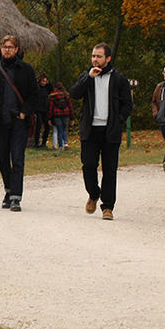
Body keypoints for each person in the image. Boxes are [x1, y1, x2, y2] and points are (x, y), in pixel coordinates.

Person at [69, 43, 133, 219]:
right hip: (90, 130)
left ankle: (108, 207)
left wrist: (118, 120)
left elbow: (128, 105)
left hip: (110, 130)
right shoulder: (86, 76)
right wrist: (88, 78)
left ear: (108, 59)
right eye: (93, 56)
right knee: (88, 165)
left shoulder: (119, 79)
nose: (95, 59)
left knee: (110, 169)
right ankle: (94, 194)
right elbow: (74, 94)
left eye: (98, 56)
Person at [0, 34, 46, 211]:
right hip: (0, 121)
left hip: (19, 121)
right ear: (1, 49)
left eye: (11, 47)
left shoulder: (26, 69)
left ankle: (16, 197)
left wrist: (25, 113)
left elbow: (34, 95)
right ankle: (8, 191)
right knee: (3, 158)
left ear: (16, 49)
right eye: (5, 47)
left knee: (17, 158)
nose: (7, 50)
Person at [48, 82, 74, 149]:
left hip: (57, 114)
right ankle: (65, 143)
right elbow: (70, 106)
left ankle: (60, 146)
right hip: (66, 113)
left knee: (59, 130)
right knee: (64, 130)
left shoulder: (53, 96)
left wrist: (49, 118)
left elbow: (51, 107)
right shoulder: (66, 95)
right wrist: (72, 118)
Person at [32, 74, 53, 148]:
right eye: (43, 81)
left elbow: (51, 89)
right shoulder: (37, 87)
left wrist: (48, 82)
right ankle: (36, 143)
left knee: (47, 126)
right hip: (38, 109)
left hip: (45, 109)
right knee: (39, 125)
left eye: (45, 81)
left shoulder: (46, 88)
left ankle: (44, 143)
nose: (44, 83)